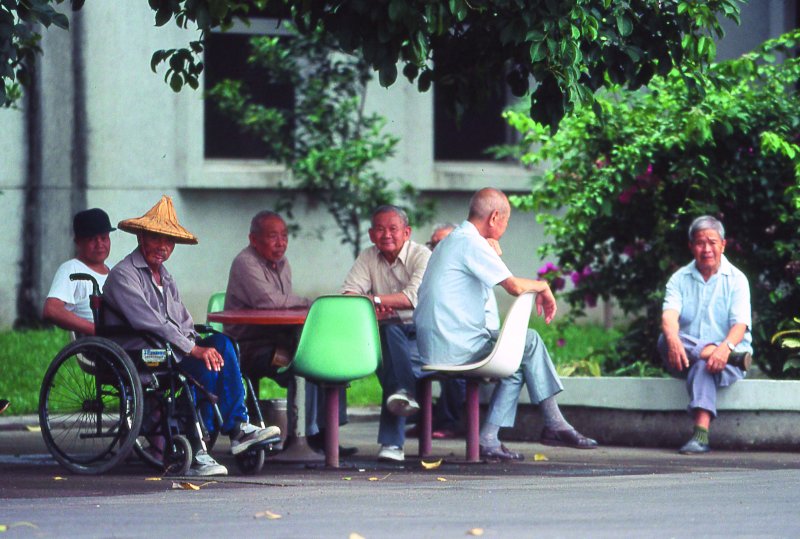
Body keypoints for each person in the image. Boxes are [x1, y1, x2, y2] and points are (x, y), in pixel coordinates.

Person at [102, 196, 280, 476]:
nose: (163, 248)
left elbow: (180, 317)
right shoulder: (124, 275)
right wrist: (192, 349)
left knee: (222, 344)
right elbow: (151, 322)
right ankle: (197, 448)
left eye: (169, 242)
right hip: (140, 351)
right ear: (141, 237)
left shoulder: (165, 276)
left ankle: (237, 426)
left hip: (168, 347)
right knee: (197, 364)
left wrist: (198, 344)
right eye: (157, 239)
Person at [415, 187, 597, 461]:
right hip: (455, 347)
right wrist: (543, 286)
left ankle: (491, 438)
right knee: (531, 340)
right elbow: (512, 286)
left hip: (437, 346)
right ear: (494, 217)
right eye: (507, 221)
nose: (506, 227)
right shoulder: (470, 241)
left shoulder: (455, 240)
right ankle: (555, 424)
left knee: (515, 360)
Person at [224, 210, 353, 456]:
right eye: (273, 236)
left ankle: (326, 434)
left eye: (284, 235)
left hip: (278, 340)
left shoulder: (283, 264)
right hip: (250, 346)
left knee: (325, 358)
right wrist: (308, 302)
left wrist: (300, 305)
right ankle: (306, 437)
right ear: (253, 239)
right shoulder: (245, 262)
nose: (281, 242)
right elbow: (269, 302)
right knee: (305, 364)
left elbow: (283, 305)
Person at [341, 205, 431, 462]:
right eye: (380, 229)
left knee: (391, 345)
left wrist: (373, 300)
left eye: (393, 229)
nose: (386, 235)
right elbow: (349, 295)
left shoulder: (422, 255)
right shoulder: (368, 257)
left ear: (407, 232)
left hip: (421, 335)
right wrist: (378, 305)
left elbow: (412, 298)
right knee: (390, 337)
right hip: (386, 333)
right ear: (371, 234)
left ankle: (393, 443)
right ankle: (403, 394)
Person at [659, 215, 753, 455]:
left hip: (729, 355)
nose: (707, 249)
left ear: (723, 244)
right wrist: (673, 340)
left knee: (704, 365)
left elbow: (740, 325)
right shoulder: (679, 279)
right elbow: (669, 317)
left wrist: (725, 349)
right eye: (700, 243)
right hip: (683, 355)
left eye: (712, 242)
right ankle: (707, 351)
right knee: (666, 338)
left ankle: (700, 436)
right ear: (691, 246)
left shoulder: (737, 280)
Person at [43, 208, 115, 335]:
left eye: (104, 238)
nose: (99, 244)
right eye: (92, 239)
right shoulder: (72, 269)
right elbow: (51, 309)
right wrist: (97, 330)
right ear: (78, 242)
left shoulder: (115, 270)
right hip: (100, 347)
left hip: (124, 339)